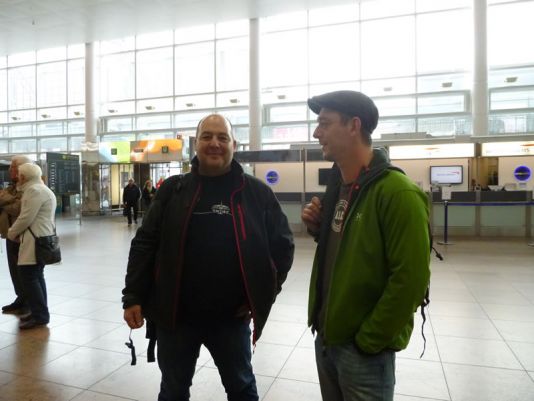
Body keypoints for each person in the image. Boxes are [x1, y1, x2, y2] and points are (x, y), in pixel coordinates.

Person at [122, 113, 294, 401]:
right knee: (174, 390)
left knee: (241, 388)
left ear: (234, 145)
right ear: (196, 144)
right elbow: (144, 244)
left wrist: (262, 294)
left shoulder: (256, 193)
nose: (214, 143)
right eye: (207, 137)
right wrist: (133, 296)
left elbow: (283, 247)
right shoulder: (173, 190)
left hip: (230, 318)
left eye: (222, 137)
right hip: (175, 316)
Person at [301, 90, 431, 401]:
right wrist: (319, 228)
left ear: (353, 125)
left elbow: (410, 280)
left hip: (364, 351)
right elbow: (355, 248)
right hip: (328, 337)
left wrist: (369, 340)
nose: (316, 133)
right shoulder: (340, 185)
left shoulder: (397, 192)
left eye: (324, 123)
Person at [7, 163, 56, 329]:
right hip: (41, 239)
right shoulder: (42, 189)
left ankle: (40, 315)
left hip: (34, 241)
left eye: (19, 174)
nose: (17, 177)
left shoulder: (34, 191)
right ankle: (39, 313)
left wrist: (11, 232)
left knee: (29, 276)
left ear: (24, 177)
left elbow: (25, 218)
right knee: (36, 276)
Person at [0, 155, 32, 315]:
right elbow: (3, 199)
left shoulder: (31, 188)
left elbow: (19, 209)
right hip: (10, 234)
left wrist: (6, 201)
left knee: (25, 271)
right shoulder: (13, 187)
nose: (10, 170)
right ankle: (20, 298)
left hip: (24, 236)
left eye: (13, 167)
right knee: (14, 269)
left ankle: (29, 301)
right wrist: (9, 200)